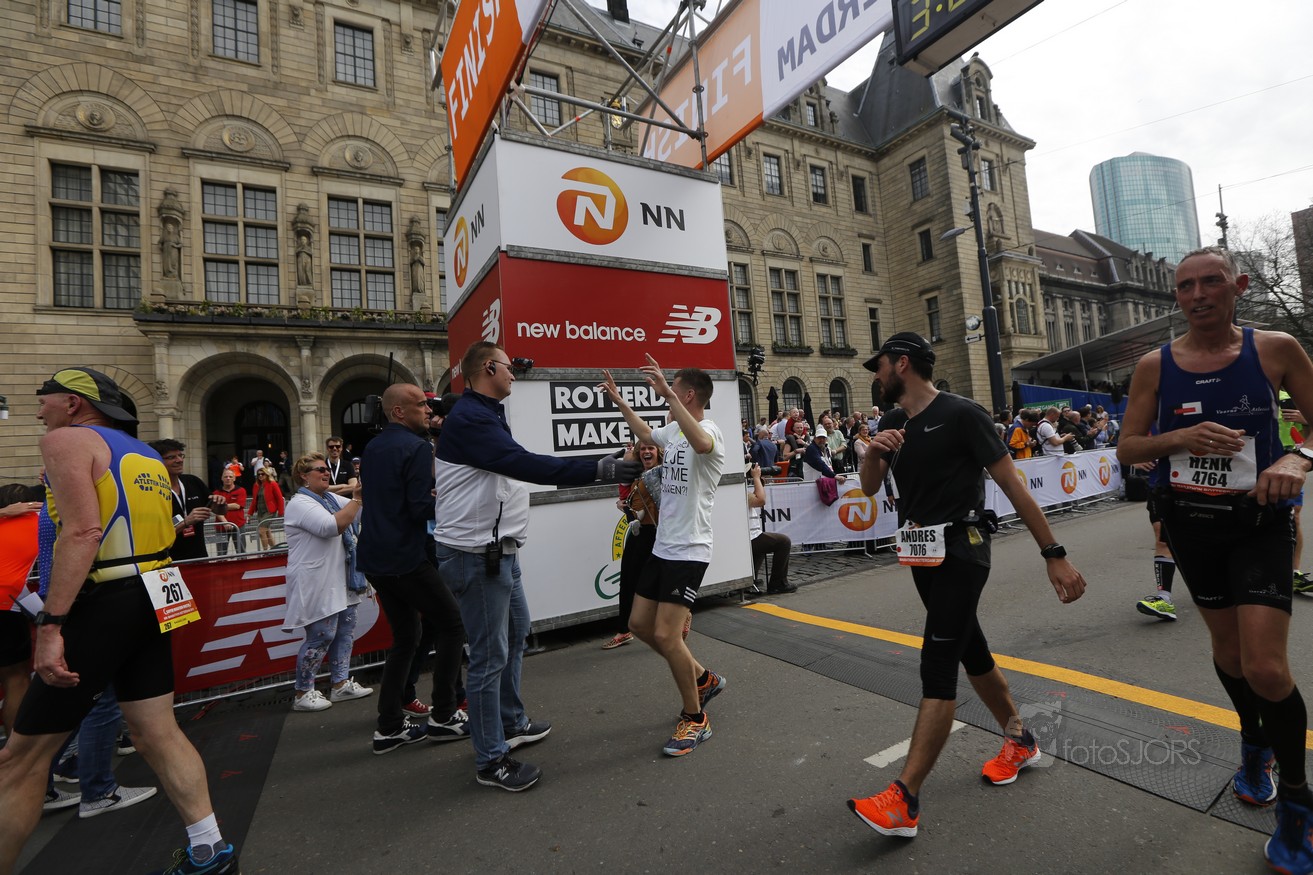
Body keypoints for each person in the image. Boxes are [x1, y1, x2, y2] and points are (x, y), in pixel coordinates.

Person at [1117, 246, 1313, 874]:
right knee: (1229, 654)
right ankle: (1254, 743)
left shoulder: (1275, 349)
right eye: (1185, 286)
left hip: (1258, 524)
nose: (1197, 295)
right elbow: (1127, 448)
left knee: (1266, 667)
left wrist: (1298, 458)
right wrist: (1180, 437)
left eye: (1210, 282)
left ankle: (1298, 804)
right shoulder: (1154, 365)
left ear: (1239, 286)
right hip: (1191, 527)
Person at [846, 334, 1086, 839]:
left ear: (902, 364)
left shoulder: (962, 414)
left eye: (879, 366)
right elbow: (868, 487)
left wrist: (1054, 554)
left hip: (963, 548)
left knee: (938, 663)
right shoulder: (892, 422)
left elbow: (1014, 486)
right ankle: (1021, 741)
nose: (876, 376)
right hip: (922, 553)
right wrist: (873, 453)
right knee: (971, 653)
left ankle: (905, 798)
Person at [0, 367, 237, 874]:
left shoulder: (67, 440)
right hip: (156, 590)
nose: (38, 411)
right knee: (157, 731)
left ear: (73, 403)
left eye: (44, 400)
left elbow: (83, 532)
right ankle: (209, 850)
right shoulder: (147, 454)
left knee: (20, 761)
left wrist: (51, 625)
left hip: (104, 597)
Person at [436, 342, 640, 791]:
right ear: (488, 367)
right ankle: (491, 760)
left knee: (515, 633)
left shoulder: (485, 413)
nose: (515, 372)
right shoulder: (471, 418)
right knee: (489, 656)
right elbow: (525, 465)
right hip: (477, 555)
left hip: (497, 551)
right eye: (509, 366)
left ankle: (510, 722)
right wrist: (602, 470)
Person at [600, 356, 727, 758]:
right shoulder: (673, 431)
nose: (665, 391)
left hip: (689, 549)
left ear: (687, 395)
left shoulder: (709, 430)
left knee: (668, 636)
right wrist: (620, 402)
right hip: (663, 546)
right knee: (640, 624)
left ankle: (695, 717)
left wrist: (667, 394)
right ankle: (703, 678)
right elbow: (646, 434)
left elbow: (701, 445)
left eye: (673, 387)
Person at [358, 384, 469, 755]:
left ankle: (389, 726)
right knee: (452, 623)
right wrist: (452, 500)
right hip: (404, 557)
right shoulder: (417, 447)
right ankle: (445, 714)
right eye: (421, 405)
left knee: (406, 637)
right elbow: (419, 507)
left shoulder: (373, 447)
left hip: (375, 557)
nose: (428, 410)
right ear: (398, 412)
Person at [283, 452, 373, 712]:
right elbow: (332, 526)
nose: (326, 473)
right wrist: (357, 498)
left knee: (345, 630)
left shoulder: (330, 498)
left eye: (326, 469)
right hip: (316, 580)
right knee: (321, 635)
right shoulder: (300, 503)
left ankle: (340, 684)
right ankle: (303, 692)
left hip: (342, 577)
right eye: (319, 469)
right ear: (304, 476)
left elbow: (361, 512)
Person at [603, 439, 664, 650]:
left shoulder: (664, 473)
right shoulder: (635, 475)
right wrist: (624, 506)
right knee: (628, 581)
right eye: (643, 449)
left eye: (651, 448)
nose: (647, 452)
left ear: (658, 452)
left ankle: (674, 623)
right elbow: (629, 500)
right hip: (639, 533)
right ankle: (623, 630)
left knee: (657, 582)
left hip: (660, 534)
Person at [0, 485, 42, 735]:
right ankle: (15, 749)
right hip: (7, 604)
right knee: (16, 678)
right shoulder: (42, 520)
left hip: (9, 601)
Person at [149, 440, 213, 562]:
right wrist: (185, 523)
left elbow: (220, 510)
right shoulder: (152, 491)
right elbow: (155, 537)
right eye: (171, 457)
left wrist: (220, 503)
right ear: (157, 461)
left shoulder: (193, 481)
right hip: (168, 563)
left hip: (200, 560)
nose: (179, 460)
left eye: (180, 455)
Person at [1132, 459, 1178, 621]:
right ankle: (1164, 599)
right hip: (1161, 485)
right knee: (1162, 540)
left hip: (1200, 487)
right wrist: (1133, 459)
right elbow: (1126, 448)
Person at [746, 463, 795, 594]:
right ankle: (778, 583)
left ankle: (751, 580)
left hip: (751, 535)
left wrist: (759, 482)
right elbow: (760, 500)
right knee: (784, 542)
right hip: (750, 537)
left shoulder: (737, 491)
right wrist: (756, 478)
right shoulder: (739, 492)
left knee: (762, 546)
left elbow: (754, 498)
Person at [246, 464, 285, 552]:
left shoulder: (272, 484)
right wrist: (249, 513)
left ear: (266, 474)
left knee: (261, 531)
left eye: (262, 474)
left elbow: (279, 498)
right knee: (267, 531)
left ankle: (265, 551)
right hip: (260, 511)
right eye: (258, 474)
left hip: (270, 511)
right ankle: (275, 550)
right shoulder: (256, 485)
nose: (260, 476)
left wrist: (281, 511)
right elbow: (254, 500)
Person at [210, 470, 247, 556]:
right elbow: (216, 510)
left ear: (234, 478)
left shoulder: (241, 490)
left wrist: (221, 506)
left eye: (230, 477)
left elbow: (237, 506)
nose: (228, 478)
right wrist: (225, 522)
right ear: (222, 478)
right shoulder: (216, 493)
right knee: (221, 553)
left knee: (241, 552)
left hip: (238, 526)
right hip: (221, 527)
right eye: (226, 476)